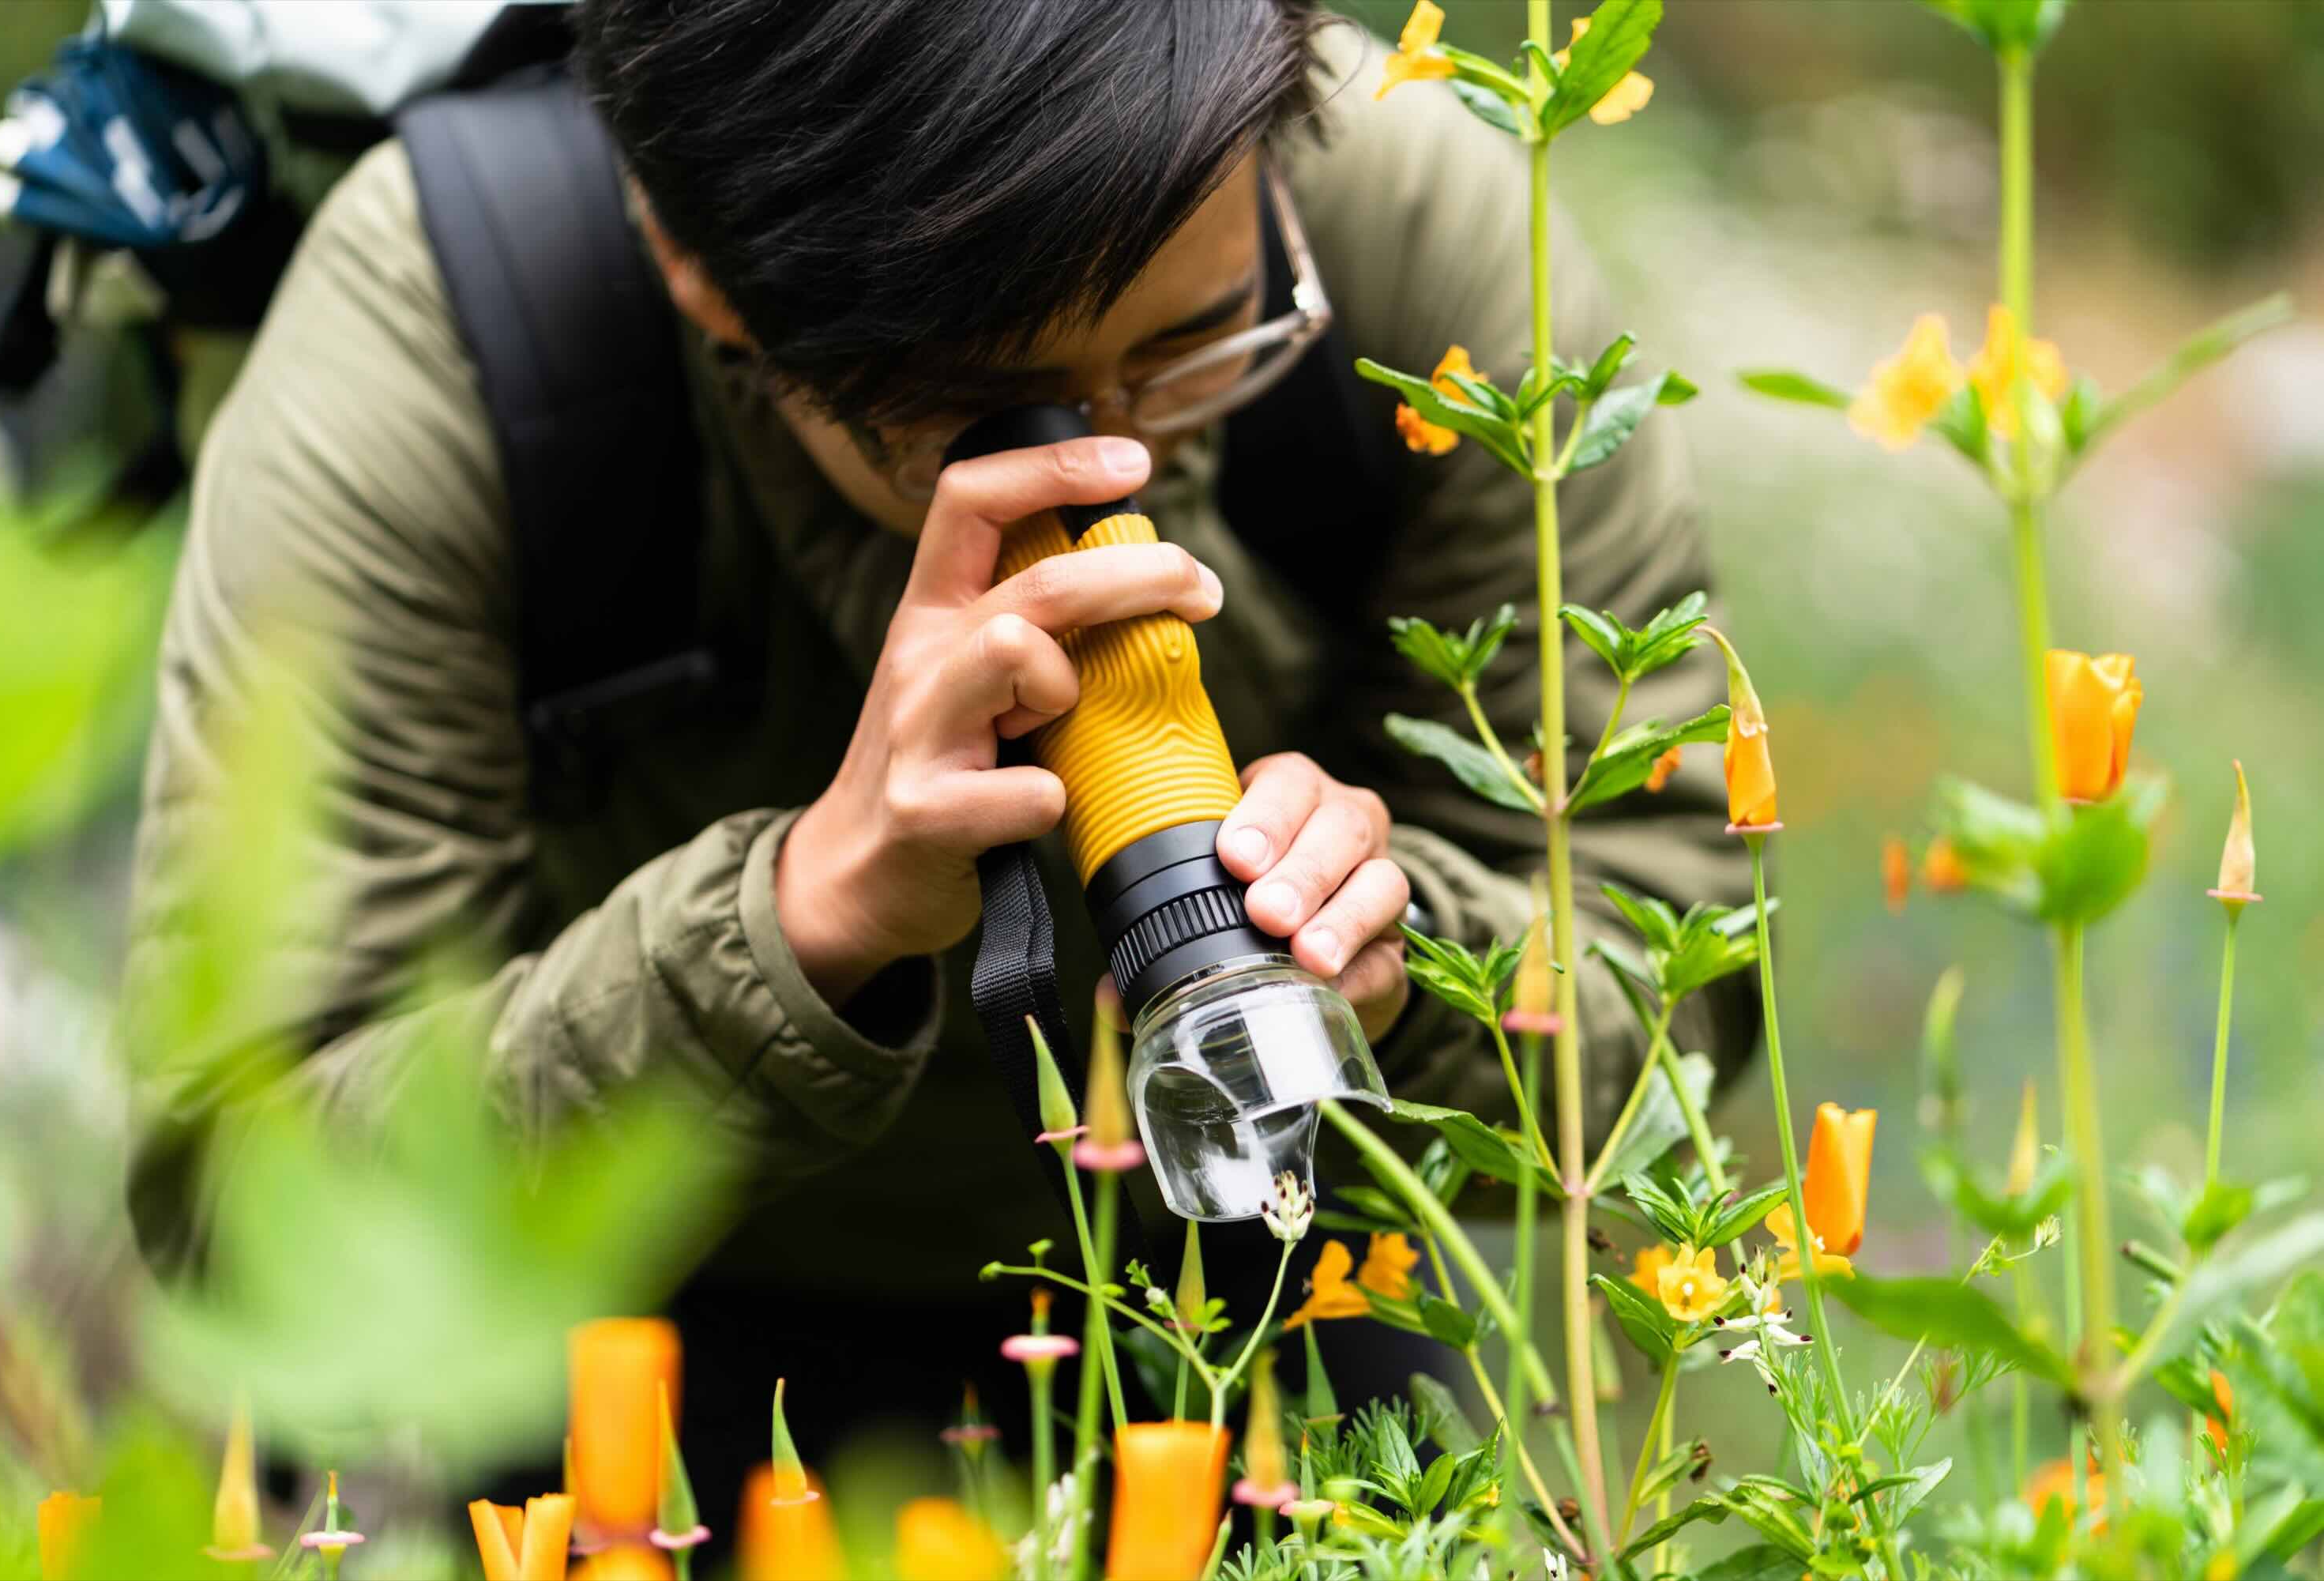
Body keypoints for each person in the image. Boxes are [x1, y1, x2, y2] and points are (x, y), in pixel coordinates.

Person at [121, 0, 1754, 1503]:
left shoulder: (1408, 221)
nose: (1107, 459)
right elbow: (244, 1197)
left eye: (1192, 348)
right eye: (984, 407)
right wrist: (800, 921)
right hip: (604, 1308)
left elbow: (1670, 943)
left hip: (1230, 1271)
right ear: (697, 270)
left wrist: (1414, 956)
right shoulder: (455, 321)